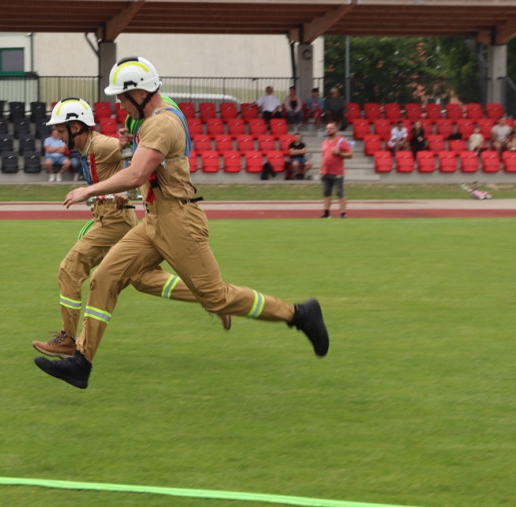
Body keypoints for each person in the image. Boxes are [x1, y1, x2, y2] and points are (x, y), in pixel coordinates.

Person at [34, 57, 328, 389]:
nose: (119, 103)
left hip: (179, 221)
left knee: (216, 297)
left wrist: (88, 189)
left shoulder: (162, 124)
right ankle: (81, 362)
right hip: (154, 219)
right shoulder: (153, 119)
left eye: (122, 96)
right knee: (104, 277)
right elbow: (145, 170)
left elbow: (137, 173)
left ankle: (299, 315)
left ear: (140, 93)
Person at [31, 98, 230, 359]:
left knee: (71, 266)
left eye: (60, 129)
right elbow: (130, 165)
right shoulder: (87, 148)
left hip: (114, 222)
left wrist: (128, 182)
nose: (56, 134)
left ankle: (68, 339)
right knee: (144, 280)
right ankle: (213, 299)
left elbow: (137, 161)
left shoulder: (102, 144)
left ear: (76, 127)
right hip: (109, 220)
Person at [319, 121, 352, 219]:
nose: (328, 130)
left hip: (337, 172)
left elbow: (350, 155)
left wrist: (339, 154)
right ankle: (326, 212)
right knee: (326, 193)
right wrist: (321, 169)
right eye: (327, 128)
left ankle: (343, 213)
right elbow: (323, 157)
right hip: (326, 171)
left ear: (336, 130)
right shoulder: (324, 142)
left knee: (339, 192)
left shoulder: (342, 141)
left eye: (331, 128)